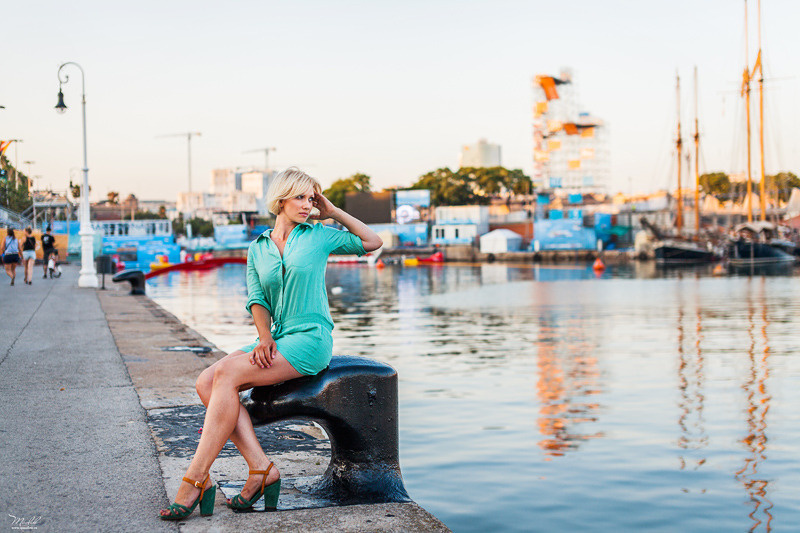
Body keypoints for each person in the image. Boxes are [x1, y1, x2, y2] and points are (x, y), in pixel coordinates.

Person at [159, 167, 382, 520]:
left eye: (311, 198)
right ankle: (261, 467)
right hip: (277, 336)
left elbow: (373, 242)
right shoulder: (258, 247)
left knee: (227, 375)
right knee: (206, 381)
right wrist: (264, 337)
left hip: (309, 338)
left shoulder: (319, 235)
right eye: (300, 197)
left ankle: (196, 477)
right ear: (280, 199)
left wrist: (334, 211)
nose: (308, 205)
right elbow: (257, 299)